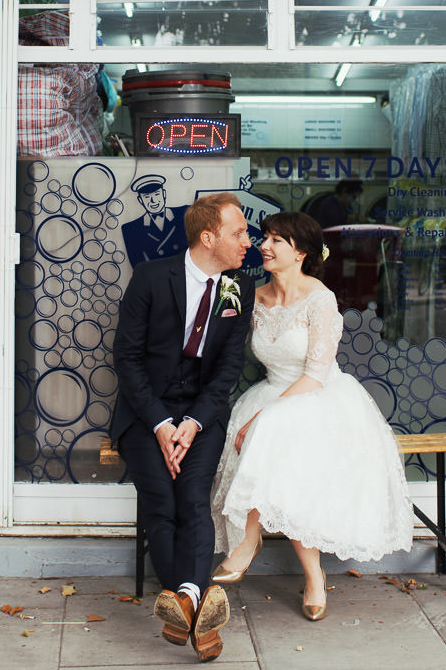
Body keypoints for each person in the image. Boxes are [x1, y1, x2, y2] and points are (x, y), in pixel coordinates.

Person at [209, 211, 411, 621]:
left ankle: (284, 561)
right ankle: (265, 547)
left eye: (276, 240)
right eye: (264, 237)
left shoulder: (320, 299)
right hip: (271, 390)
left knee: (282, 448)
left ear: (299, 252)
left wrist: (262, 418)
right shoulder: (255, 296)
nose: (263, 245)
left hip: (317, 396)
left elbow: (316, 375)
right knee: (270, 445)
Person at [112, 191, 256, 662]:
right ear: (208, 236)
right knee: (161, 502)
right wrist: (158, 424)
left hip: (202, 413)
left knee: (193, 498)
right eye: (239, 233)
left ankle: (184, 602)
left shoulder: (240, 287)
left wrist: (191, 423)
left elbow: (229, 367)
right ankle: (198, 609)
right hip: (144, 413)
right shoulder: (152, 278)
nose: (248, 242)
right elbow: (127, 359)